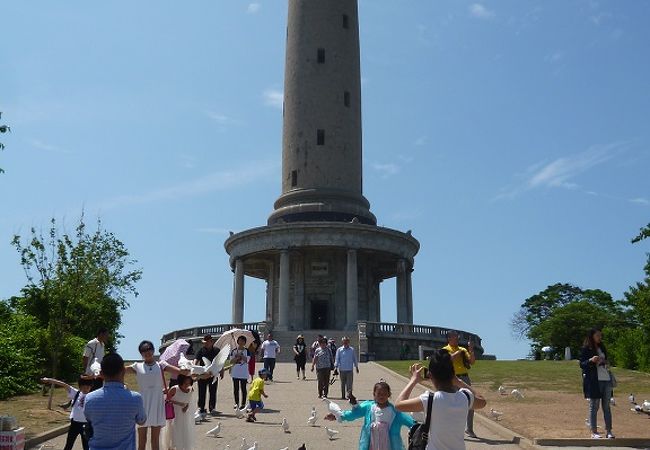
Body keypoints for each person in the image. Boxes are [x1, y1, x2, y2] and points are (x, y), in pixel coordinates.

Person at [395, 349, 487, 450]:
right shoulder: (465, 397)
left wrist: (413, 380)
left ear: (430, 375)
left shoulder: (430, 399)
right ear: (452, 374)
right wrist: (459, 382)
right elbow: (482, 401)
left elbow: (398, 405)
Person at [125, 340, 186, 450]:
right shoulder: (137, 366)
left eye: (149, 349)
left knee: (155, 439)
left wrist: (190, 370)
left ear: (153, 350)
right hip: (143, 404)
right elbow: (120, 370)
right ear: (141, 353)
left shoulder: (161, 365)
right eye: (143, 351)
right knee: (142, 440)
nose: (147, 352)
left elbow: (179, 371)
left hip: (157, 403)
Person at [325, 381, 415, 450]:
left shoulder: (395, 412)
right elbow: (353, 414)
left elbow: (410, 422)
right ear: (374, 394)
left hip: (390, 446)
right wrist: (337, 415)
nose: (381, 396)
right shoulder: (369, 407)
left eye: (384, 394)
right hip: (371, 444)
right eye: (379, 394)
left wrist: (421, 427)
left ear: (389, 395)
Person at [84, 353, 146, 450]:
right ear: (123, 371)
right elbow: (141, 421)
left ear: (101, 373)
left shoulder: (90, 398)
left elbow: (89, 418)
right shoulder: (135, 398)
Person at [580, 328, 615, 439]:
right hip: (594, 381)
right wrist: (591, 360)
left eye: (600, 335)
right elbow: (582, 364)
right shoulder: (586, 348)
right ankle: (594, 432)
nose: (600, 337)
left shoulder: (602, 347)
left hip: (606, 379)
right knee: (594, 406)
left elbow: (606, 361)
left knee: (606, 406)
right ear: (592, 336)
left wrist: (605, 362)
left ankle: (609, 431)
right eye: (598, 335)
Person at [41, 376, 93, 450]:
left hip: (86, 425)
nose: (85, 389)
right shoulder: (76, 393)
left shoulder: (93, 396)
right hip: (75, 423)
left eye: (87, 388)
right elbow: (63, 384)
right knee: (69, 445)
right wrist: (49, 380)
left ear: (90, 387)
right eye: (83, 387)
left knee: (86, 446)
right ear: (80, 387)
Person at [442, 330, 476, 438]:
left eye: (458, 337)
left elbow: (472, 362)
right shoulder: (445, 350)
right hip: (452, 378)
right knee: (452, 403)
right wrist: (458, 353)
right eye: (455, 337)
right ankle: (451, 429)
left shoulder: (463, 349)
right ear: (449, 338)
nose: (457, 339)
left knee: (471, 401)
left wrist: (470, 350)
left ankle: (469, 429)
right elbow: (448, 360)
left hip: (465, 377)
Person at [193, 334, 223, 416]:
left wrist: (222, 371)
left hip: (213, 374)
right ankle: (201, 408)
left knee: (213, 391)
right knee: (201, 391)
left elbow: (221, 362)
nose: (205, 344)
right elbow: (196, 360)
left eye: (207, 342)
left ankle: (212, 408)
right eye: (204, 342)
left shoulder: (217, 350)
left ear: (211, 342)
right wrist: (194, 368)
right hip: (203, 374)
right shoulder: (201, 350)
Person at [164, 374, 194, 450]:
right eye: (185, 384)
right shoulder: (174, 389)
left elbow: (189, 400)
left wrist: (186, 406)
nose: (187, 386)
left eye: (189, 383)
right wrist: (179, 404)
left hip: (184, 415)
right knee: (173, 434)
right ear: (180, 382)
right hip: (174, 415)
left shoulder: (191, 389)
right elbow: (167, 400)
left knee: (184, 433)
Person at [229, 335, 251, 410]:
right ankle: (236, 403)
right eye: (240, 341)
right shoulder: (233, 351)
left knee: (243, 388)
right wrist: (236, 357)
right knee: (236, 389)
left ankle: (243, 403)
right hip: (235, 372)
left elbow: (247, 360)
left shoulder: (247, 351)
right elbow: (231, 361)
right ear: (237, 342)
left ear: (245, 342)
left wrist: (241, 356)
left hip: (243, 372)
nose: (241, 342)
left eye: (243, 341)